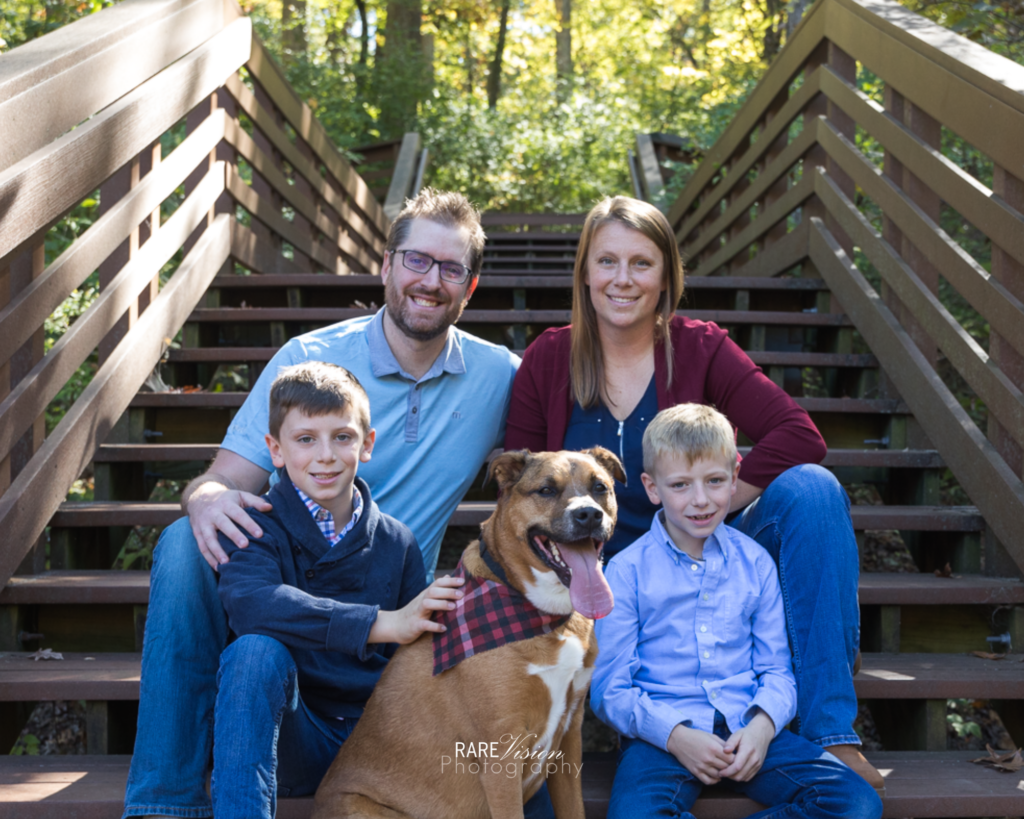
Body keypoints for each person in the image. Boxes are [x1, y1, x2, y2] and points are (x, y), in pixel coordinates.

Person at [123, 189, 556, 818]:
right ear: (385, 266)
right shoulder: (308, 360)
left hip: (389, 602)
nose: (430, 282)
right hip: (289, 616)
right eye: (416, 261)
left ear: (472, 286)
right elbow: (221, 480)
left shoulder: (501, 377)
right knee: (187, 543)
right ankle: (165, 801)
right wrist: (206, 498)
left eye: (451, 268)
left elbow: (554, 472)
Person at [505, 196, 882, 793]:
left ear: (667, 277)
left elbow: (799, 435)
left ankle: (830, 730)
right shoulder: (549, 358)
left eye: (641, 263)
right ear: (584, 271)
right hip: (591, 572)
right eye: (606, 261)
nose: (622, 279)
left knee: (813, 491)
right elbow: (517, 494)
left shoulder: (701, 346)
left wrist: (705, 501)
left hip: (701, 555)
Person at [591, 404, 883, 819]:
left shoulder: (756, 563)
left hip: (750, 730)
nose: (700, 500)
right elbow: (609, 689)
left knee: (855, 803)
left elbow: (778, 670)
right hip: (663, 739)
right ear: (651, 487)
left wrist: (763, 728)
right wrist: (675, 736)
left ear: (735, 477)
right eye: (680, 485)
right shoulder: (626, 572)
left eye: (714, 481)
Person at [213, 362, 464, 819]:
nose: (325, 455)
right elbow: (251, 605)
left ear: (366, 444)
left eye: (342, 437)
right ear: (276, 450)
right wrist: (380, 622)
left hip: (380, 741)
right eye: (305, 439)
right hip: (296, 736)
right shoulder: (257, 528)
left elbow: (414, 664)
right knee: (252, 652)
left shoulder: (397, 540)